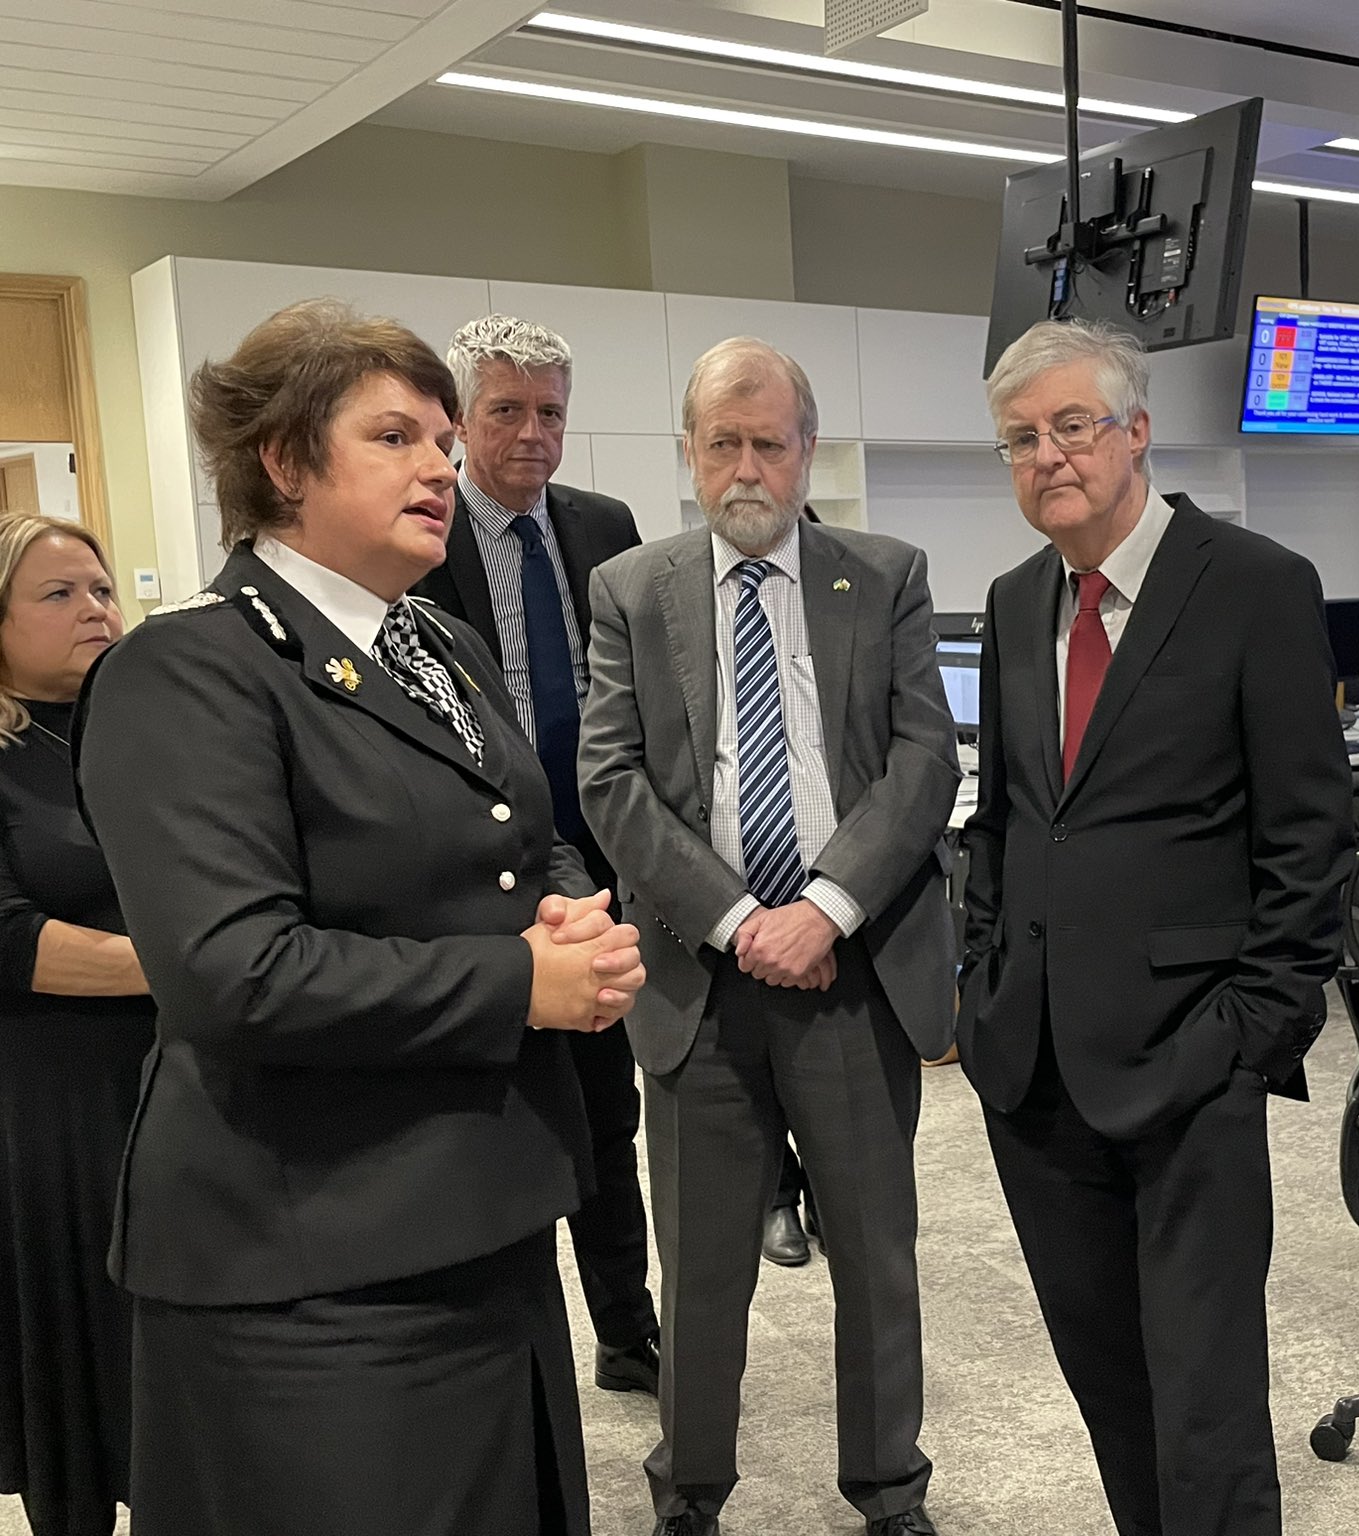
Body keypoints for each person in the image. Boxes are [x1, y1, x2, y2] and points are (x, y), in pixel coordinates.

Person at [73, 299, 646, 1536]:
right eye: (396, 437)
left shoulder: (438, 643)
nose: (441, 466)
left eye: (444, 438)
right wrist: (518, 983)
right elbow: (232, 973)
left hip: (486, 1213)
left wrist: (566, 914)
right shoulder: (190, 671)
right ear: (282, 460)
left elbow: (514, 826)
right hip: (311, 1264)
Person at [959, 318, 1355, 1536]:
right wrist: (978, 989)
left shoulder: (1253, 586)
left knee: (1204, 1405)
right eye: (1020, 439)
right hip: (1031, 1070)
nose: (1046, 457)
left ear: (1136, 432)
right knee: (1110, 1390)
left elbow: (1306, 837)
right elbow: (1012, 818)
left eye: (1072, 426)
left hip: (1190, 1063)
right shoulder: (1016, 598)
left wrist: (1250, 1034)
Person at [579, 336, 959, 1536]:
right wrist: (744, 919)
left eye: (770, 441)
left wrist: (825, 908)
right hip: (700, 979)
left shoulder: (883, 574)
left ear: (806, 451)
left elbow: (920, 761)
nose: (747, 466)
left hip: (850, 975)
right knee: (698, 1270)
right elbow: (610, 780)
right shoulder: (632, 590)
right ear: (688, 453)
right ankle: (688, 1493)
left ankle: (888, 1490)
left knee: (873, 1256)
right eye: (722, 442)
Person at [412, 313, 661, 1394]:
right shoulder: (421, 532)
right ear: (460, 422)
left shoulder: (604, 526)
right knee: (492, 1109)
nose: (530, 434)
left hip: (599, 861)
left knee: (610, 1112)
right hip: (471, 870)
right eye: (505, 411)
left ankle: (623, 1327)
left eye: (549, 412)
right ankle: (490, 1338)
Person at [0, 515, 150, 1536]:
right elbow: (9, 941)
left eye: (100, 588)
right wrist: (197, 970)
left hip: (165, 1084)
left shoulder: (142, 734)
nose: (94, 608)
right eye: (59, 594)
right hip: (45, 1108)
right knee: (75, 1367)